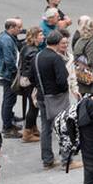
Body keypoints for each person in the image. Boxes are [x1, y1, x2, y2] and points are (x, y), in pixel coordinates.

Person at [36, 31, 71, 170]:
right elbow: (62, 80)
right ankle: (66, 159)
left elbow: (33, 77)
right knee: (64, 128)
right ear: (57, 43)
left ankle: (47, 159)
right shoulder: (56, 58)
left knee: (46, 129)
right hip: (56, 97)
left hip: (42, 96)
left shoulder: (38, 56)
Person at [0, 18, 23, 136]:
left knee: (10, 98)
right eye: (18, 28)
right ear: (11, 28)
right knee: (9, 99)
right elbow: (9, 60)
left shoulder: (7, 37)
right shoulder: (6, 40)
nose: (20, 30)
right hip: (8, 75)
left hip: (6, 73)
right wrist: (15, 72)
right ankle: (7, 127)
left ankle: (9, 120)